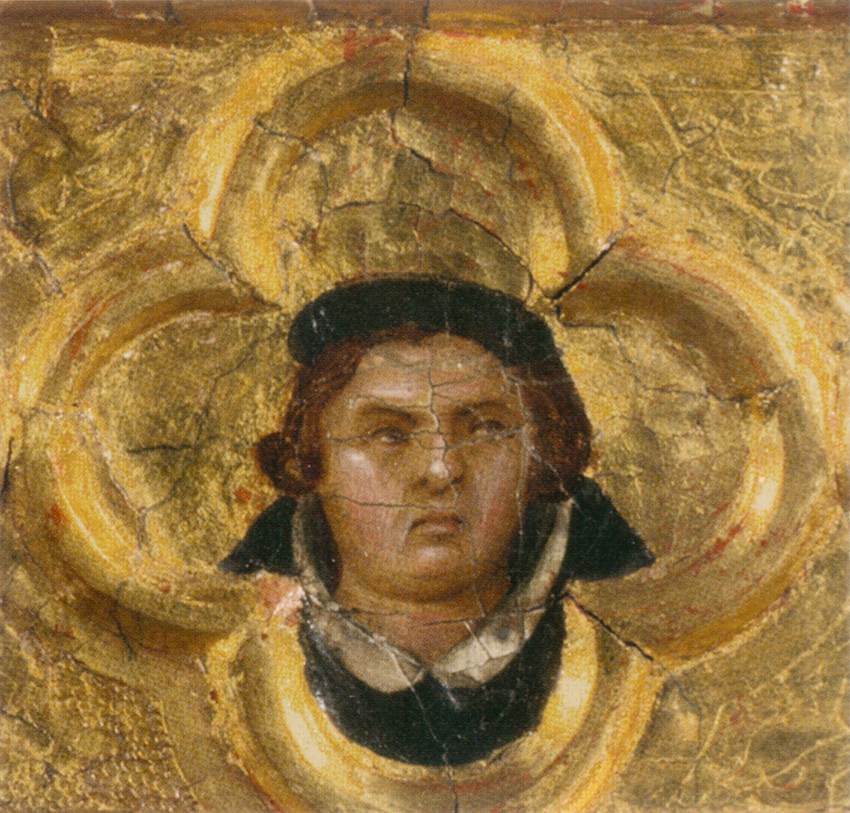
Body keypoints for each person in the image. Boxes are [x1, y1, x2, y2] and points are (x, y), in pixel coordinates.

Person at [220, 275, 653, 766]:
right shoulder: (240, 627)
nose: (441, 470)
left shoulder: (625, 621)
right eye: (389, 433)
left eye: (485, 428)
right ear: (309, 458)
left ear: (542, 455)